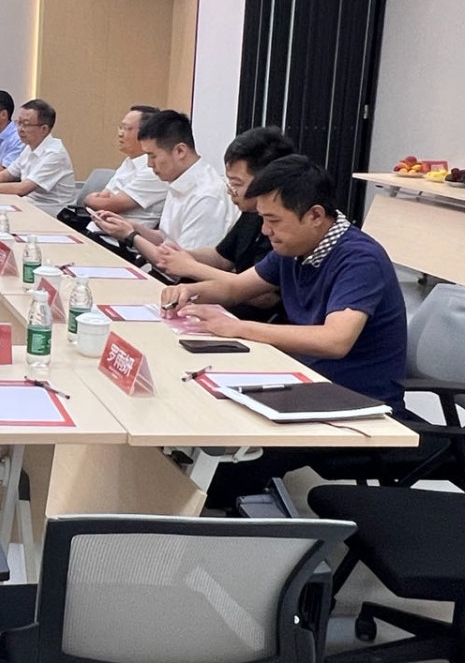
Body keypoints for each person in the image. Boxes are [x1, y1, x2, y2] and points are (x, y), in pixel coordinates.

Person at [162, 155, 411, 505]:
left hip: (352, 398)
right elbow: (236, 288)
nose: (266, 231)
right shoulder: (294, 247)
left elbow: (335, 340)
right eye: (263, 219)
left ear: (315, 215)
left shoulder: (359, 259)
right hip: (306, 381)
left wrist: (239, 328)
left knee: (219, 477)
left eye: (273, 220)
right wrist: (190, 291)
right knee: (196, 419)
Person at [135, 126, 296, 286]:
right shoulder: (251, 212)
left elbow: (258, 292)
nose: (230, 190)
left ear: (267, 181)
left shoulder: (283, 229)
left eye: (237, 184)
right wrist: (181, 255)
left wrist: (190, 267)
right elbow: (221, 257)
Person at [90, 109, 236, 251]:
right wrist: (131, 227)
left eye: (152, 156)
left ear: (180, 151)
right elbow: (167, 240)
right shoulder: (178, 180)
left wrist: (131, 236)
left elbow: (185, 263)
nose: (149, 164)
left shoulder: (206, 196)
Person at [0, 99, 76, 214]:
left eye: (26, 124)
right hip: (29, 205)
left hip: (52, 213)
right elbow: (4, 175)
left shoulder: (54, 154)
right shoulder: (30, 147)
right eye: (19, 123)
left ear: (44, 129)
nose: (20, 129)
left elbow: (22, 189)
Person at [81, 105, 168, 226]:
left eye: (126, 128)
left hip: (116, 236)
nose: (120, 134)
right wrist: (99, 200)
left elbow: (109, 205)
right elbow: (104, 195)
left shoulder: (153, 170)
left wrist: (88, 199)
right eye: (120, 127)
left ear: (146, 133)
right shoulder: (129, 162)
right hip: (96, 228)